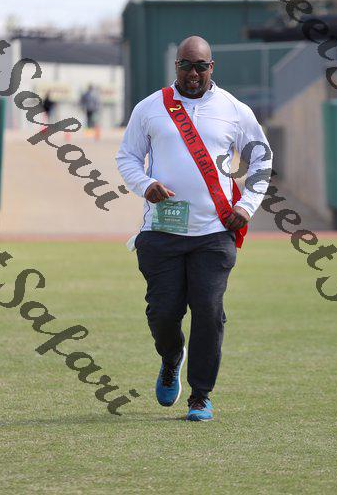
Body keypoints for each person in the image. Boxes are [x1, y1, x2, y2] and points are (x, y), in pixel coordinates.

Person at [116, 35, 272, 421]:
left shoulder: (234, 109)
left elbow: (261, 159)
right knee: (163, 314)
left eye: (201, 66)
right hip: (161, 232)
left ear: (211, 67)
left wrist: (246, 205)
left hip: (214, 233)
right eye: (186, 65)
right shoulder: (150, 107)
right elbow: (128, 156)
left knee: (209, 311)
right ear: (176, 66)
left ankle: (200, 396)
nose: (193, 73)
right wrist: (145, 185)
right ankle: (172, 358)